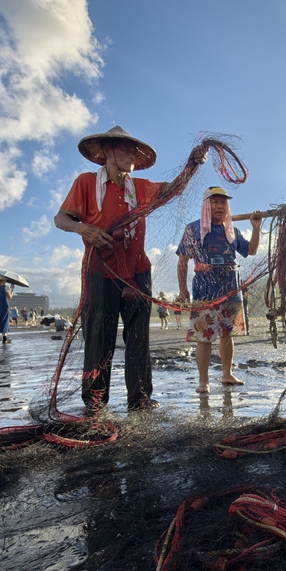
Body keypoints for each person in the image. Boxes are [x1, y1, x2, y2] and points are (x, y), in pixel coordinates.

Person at [54, 125, 206, 415]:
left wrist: (192, 166)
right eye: (126, 149)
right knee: (99, 338)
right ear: (108, 151)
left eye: (136, 151)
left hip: (137, 273)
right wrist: (82, 228)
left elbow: (173, 190)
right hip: (99, 272)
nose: (133, 155)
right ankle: (95, 403)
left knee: (138, 338)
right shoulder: (86, 183)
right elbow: (60, 218)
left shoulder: (139, 187)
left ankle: (139, 399)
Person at [177, 186, 261, 393]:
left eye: (223, 202)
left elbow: (250, 251)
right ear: (207, 205)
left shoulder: (231, 230)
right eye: (215, 202)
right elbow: (182, 260)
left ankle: (227, 374)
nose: (219, 206)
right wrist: (183, 290)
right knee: (204, 336)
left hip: (231, 289)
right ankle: (203, 381)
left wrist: (256, 228)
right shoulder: (193, 229)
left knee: (227, 334)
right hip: (205, 290)